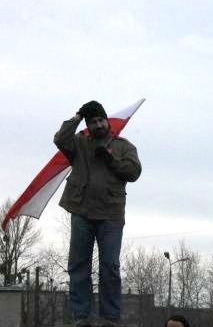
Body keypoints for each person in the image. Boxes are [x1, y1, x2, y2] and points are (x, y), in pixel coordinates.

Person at [54, 100, 142, 327]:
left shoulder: (123, 146)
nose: (99, 124)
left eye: (101, 120)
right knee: (78, 266)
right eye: (93, 122)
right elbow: (60, 139)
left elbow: (134, 172)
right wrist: (76, 117)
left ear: (107, 121)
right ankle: (81, 316)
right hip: (82, 211)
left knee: (110, 267)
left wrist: (111, 159)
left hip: (111, 215)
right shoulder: (79, 144)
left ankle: (110, 318)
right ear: (88, 125)